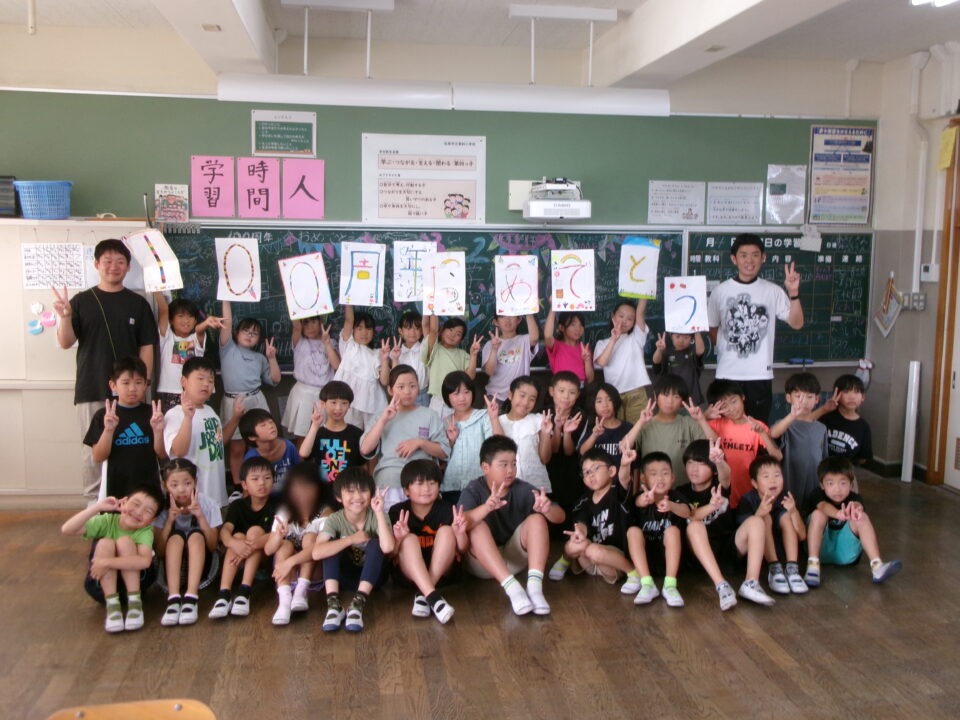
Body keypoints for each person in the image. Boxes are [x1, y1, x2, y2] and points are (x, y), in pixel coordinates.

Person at [51, 239, 159, 499]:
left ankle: (133, 507)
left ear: (128, 267)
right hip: (91, 387)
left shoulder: (138, 303)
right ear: (96, 264)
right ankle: (95, 507)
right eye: (107, 261)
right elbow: (65, 342)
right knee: (94, 451)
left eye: (120, 261)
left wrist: (143, 385)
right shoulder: (81, 301)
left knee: (133, 447)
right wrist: (65, 317)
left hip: (130, 393)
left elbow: (147, 347)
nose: (114, 266)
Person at [459, 436, 567, 616]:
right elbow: (461, 522)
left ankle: (534, 589)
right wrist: (486, 508)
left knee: (537, 519)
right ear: (485, 467)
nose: (510, 470)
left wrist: (547, 509)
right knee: (477, 527)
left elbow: (561, 517)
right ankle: (514, 590)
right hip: (482, 565)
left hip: (514, 560)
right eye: (503, 464)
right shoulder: (474, 489)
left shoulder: (522, 489)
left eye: (514, 464)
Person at [707, 233, 804, 424]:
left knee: (757, 430)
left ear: (763, 257)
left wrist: (793, 293)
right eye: (743, 255)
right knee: (724, 430)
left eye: (755, 255)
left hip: (760, 375)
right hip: (727, 374)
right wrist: (727, 347)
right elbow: (712, 328)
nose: (749, 261)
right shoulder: (720, 291)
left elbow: (797, 323)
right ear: (734, 259)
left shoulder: (773, 291)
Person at [61, 485, 163, 633]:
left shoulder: (145, 531)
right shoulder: (108, 520)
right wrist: (98, 507)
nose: (138, 512)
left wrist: (105, 562)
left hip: (137, 585)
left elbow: (145, 561)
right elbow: (67, 529)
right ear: (124, 502)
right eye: (135, 504)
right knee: (105, 543)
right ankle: (113, 607)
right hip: (101, 587)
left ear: (152, 520)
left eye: (147, 511)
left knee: (125, 542)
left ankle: (135, 605)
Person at [312, 468, 395, 633]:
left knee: (375, 543)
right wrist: (351, 539)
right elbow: (316, 553)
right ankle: (334, 606)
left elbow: (388, 547)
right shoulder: (335, 519)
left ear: (371, 494)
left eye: (363, 490)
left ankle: (358, 604)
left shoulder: (378, 515)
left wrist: (379, 512)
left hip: (375, 579)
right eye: (350, 491)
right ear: (339, 497)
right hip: (345, 579)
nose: (357, 496)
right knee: (331, 545)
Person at [360, 365, 450, 511]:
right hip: (389, 482)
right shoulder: (381, 416)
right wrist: (383, 420)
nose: (407, 391)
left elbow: (444, 451)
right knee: (388, 524)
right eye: (401, 387)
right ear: (390, 390)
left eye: (412, 386)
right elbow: (365, 449)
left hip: (422, 483)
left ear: (418, 388)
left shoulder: (429, 415)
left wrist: (420, 443)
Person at [389, 460, 467, 624]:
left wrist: (460, 534)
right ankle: (433, 597)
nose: (426, 489)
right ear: (406, 490)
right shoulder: (397, 512)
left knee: (447, 531)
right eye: (419, 484)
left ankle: (425, 594)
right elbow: (391, 554)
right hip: (408, 577)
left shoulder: (448, 509)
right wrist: (399, 538)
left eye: (432, 483)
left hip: (443, 576)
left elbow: (462, 549)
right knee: (408, 539)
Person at [804, 457, 901, 587]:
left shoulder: (854, 497)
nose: (837, 489)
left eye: (843, 483)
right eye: (831, 483)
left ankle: (877, 566)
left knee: (862, 517)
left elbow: (857, 504)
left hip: (846, 553)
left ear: (851, 484)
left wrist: (856, 510)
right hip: (820, 549)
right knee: (818, 514)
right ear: (822, 485)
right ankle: (813, 566)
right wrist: (837, 513)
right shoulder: (817, 494)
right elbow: (823, 506)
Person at [549, 448, 637, 590]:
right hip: (591, 561)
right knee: (572, 545)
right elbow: (581, 521)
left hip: (613, 561)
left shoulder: (617, 493)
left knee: (593, 551)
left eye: (595, 468)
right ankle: (564, 560)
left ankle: (632, 572)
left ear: (611, 471)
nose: (590, 475)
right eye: (586, 472)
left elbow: (624, 479)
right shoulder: (584, 500)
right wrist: (580, 533)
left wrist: (625, 464)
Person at [671, 439, 743, 611]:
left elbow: (726, 476)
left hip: (726, 550)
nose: (694, 469)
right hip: (696, 555)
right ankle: (722, 586)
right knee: (694, 526)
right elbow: (691, 514)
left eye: (701, 464)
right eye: (690, 463)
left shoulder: (719, 487)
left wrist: (719, 461)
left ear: (713, 469)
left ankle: (752, 582)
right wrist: (711, 506)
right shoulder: (681, 492)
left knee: (755, 522)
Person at [164, 357, 244, 507]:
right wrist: (188, 418)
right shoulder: (174, 414)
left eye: (210, 380)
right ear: (183, 381)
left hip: (217, 496)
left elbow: (218, 442)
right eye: (200, 378)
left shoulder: (210, 412)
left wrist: (236, 417)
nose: (206, 384)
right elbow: (178, 451)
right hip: (193, 500)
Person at [219, 301, 281, 490]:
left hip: (256, 400)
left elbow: (275, 380)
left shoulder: (260, 358)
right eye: (246, 331)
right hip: (233, 401)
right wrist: (226, 298)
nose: (249, 335)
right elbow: (226, 322)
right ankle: (239, 487)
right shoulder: (227, 348)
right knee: (237, 447)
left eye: (254, 333)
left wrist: (272, 358)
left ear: (259, 339)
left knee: (260, 444)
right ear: (236, 333)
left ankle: (263, 482)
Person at [83, 357, 165, 498]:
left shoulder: (153, 414)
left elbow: (162, 454)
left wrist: (158, 432)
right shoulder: (103, 415)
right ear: (113, 385)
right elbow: (98, 456)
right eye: (126, 383)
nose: (132, 388)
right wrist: (108, 430)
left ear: (145, 385)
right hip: (115, 490)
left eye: (138, 382)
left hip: (149, 490)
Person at [153, 458, 222, 627]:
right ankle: (173, 598)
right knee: (176, 537)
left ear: (195, 482)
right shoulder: (161, 508)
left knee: (195, 535)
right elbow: (159, 551)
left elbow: (213, 545)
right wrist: (169, 521)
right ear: (165, 485)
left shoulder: (208, 504)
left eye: (187, 483)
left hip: (203, 566)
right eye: (174, 485)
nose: (181, 489)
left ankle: (191, 597)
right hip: (170, 569)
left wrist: (200, 516)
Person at [209, 457, 277, 619]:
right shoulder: (237, 505)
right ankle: (224, 593)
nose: (262, 483)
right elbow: (225, 531)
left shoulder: (277, 504)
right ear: (244, 484)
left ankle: (244, 591)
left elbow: (277, 533)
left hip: (265, 557)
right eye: (255, 479)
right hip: (239, 557)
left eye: (267, 478)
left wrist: (251, 545)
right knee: (237, 536)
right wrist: (234, 544)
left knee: (254, 531)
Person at [622, 374, 717, 486]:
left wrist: (701, 420)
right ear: (656, 396)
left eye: (676, 397)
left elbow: (715, 445)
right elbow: (623, 447)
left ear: (682, 401)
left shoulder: (688, 423)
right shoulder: (645, 425)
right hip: (651, 491)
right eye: (665, 395)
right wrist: (640, 422)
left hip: (683, 490)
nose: (670, 401)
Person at [264, 462, 330, 625]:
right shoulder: (284, 513)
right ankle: (285, 601)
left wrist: (289, 562)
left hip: (314, 574)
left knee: (310, 537)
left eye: (308, 486)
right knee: (284, 545)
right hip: (287, 574)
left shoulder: (325, 513)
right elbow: (268, 550)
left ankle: (301, 592)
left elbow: (318, 550)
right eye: (297, 487)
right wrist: (278, 535)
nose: (302, 492)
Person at [736, 456, 808, 595]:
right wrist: (760, 513)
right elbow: (745, 536)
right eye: (766, 476)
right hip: (756, 557)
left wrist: (793, 511)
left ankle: (792, 569)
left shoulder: (786, 498)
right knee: (765, 517)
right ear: (754, 483)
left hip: (782, 552)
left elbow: (802, 536)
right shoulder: (748, 500)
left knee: (786, 517)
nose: (773, 480)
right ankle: (774, 570)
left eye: (777, 475)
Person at [705, 379, 782, 509]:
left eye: (733, 401)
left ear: (743, 397)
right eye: (724, 406)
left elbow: (777, 457)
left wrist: (762, 433)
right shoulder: (715, 425)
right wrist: (704, 416)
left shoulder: (757, 426)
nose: (731, 409)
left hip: (749, 495)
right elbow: (692, 429)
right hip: (721, 495)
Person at [625, 452, 687, 608]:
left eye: (665, 473)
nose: (660, 478)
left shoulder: (676, 496)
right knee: (633, 531)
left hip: (671, 561)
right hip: (645, 560)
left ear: (673, 477)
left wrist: (671, 506)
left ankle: (670, 586)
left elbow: (687, 512)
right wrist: (645, 499)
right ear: (643, 478)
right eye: (654, 474)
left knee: (672, 531)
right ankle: (647, 584)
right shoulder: (640, 497)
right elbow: (638, 502)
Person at [769, 372, 829, 514]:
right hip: (790, 478)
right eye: (798, 396)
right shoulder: (785, 424)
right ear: (788, 398)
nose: (804, 401)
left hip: (814, 480)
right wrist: (792, 415)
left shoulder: (821, 428)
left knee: (811, 511)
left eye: (809, 397)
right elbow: (773, 433)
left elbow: (824, 458)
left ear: (817, 399)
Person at [440, 371, 503, 504]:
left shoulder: (483, 416)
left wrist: (494, 418)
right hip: (451, 486)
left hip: (479, 485)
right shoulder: (445, 422)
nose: (462, 398)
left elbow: (499, 446)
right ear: (447, 397)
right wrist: (450, 441)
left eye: (466, 392)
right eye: (456, 393)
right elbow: (441, 458)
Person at [153, 293, 222, 413]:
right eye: (180, 316)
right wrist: (155, 288)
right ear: (171, 320)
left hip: (194, 393)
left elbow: (199, 330)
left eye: (190, 316)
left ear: (195, 320)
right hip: (170, 392)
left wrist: (206, 323)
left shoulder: (196, 339)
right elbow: (164, 310)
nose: (186, 320)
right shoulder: (167, 337)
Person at [281, 318, 340, 442]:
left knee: (322, 435)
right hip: (303, 392)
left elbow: (336, 365)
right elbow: (296, 325)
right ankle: (302, 455)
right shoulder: (299, 340)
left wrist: (327, 344)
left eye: (314, 322)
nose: (310, 327)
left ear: (320, 323)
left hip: (324, 393)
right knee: (303, 435)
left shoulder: (331, 342)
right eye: (305, 323)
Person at [299, 380, 365, 488]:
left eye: (344, 403)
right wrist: (315, 425)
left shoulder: (356, 434)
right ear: (323, 404)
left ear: (349, 406)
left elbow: (362, 465)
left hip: (348, 490)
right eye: (333, 402)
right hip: (323, 491)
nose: (338, 408)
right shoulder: (318, 432)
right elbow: (304, 453)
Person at [594, 300, 651, 424]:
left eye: (630, 319)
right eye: (621, 316)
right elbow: (602, 362)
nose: (624, 321)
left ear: (634, 322)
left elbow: (640, 311)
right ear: (613, 316)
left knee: (639, 430)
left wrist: (645, 290)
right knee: (616, 431)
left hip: (636, 394)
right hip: (613, 395)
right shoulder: (602, 343)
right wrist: (614, 339)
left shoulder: (637, 337)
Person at [333, 305, 387, 431]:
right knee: (349, 434)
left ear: (373, 332)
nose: (364, 332)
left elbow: (384, 381)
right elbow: (349, 319)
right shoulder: (349, 345)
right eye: (359, 328)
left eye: (368, 328)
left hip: (371, 403)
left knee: (370, 435)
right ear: (352, 330)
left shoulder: (377, 353)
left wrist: (385, 359)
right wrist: (348, 298)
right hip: (348, 401)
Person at [498, 376, 554, 493]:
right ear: (510, 395)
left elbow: (545, 459)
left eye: (532, 399)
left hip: (535, 487)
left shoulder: (539, 420)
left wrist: (545, 434)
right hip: (505, 488)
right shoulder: (498, 422)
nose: (525, 402)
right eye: (522, 396)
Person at [421, 316, 481, 418]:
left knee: (455, 427)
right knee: (434, 427)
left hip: (457, 401)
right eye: (450, 329)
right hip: (437, 402)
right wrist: (434, 308)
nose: (452, 335)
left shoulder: (463, 355)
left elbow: (470, 377)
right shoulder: (434, 349)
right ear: (441, 331)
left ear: (461, 340)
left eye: (458, 334)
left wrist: (474, 355)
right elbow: (433, 330)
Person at [544, 371, 585, 516]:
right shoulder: (544, 413)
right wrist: (557, 427)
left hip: (571, 471)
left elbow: (569, 451)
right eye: (561, 391)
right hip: (548, 470)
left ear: (578, 394)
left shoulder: (581, 416)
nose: (566, 396)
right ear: (551, 391)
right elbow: (553, 449)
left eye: (572, 392)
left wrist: (566, 433)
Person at [240, 408, 301, 493]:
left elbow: (300, 475)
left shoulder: (289, 447)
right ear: (252, 437)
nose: (271, 426)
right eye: (263, 425)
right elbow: (248, 490)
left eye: (271, 422)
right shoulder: (251, 457)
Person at [817, 374, 873, 465]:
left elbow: (863, 458)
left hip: (845, 469)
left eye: (856, 392)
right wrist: (824, 409)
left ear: (863, 397)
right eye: (846, 391)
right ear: (836, 394)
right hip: (821, 466)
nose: (852, 397)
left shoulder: (863, 427)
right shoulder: (826, 417)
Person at [481, 314, 541, 400]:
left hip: (519, 397)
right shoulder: (490, 344)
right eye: (502, 316)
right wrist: (494, 349)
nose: (507, 320)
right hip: (495, 396)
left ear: (519, 319)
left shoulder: (525, 340)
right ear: (496, 322)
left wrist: (528, 312)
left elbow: (534, 338)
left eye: (511, 315)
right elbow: (489, 372)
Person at [380, 310, 428, 406]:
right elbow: (390, 380)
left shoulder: (425, 347)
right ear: (400, 331)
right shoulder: (396, 352)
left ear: (422, 330)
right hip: (401, 396)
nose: (412, 332)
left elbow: (428, 326)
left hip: (422, 395)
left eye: (417, 328)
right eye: (408, 328)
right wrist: (395, 359)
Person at [577, 384, 631, 467]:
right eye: (599, 401)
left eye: (609, 400)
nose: (605, 405)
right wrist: (594, 435)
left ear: (615, 401)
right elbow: (583, 452)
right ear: (593, 405)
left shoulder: (627, 427)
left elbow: (635, 462)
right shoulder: (590, 427)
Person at [652, 331, 705, 406]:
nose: (681, 341)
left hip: (691, 400)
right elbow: (656, 364)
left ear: (691, 338)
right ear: (671, 336)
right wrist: (659, 350)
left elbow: (700, 351)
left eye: (686, 337)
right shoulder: (667, 353)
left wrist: (696, 330)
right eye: (677, 336)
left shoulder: (692, 352)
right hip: (671, 401)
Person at [543, 309, 594, 384]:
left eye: (581, 325)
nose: (578, 329)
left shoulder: (584, 349)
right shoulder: (556, 346)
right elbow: (548, 336)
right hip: (561, 387)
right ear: (561, 328)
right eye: (573, 324)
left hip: (580, 388)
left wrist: (587, 361)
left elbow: (590, 379)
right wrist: (553, 308)